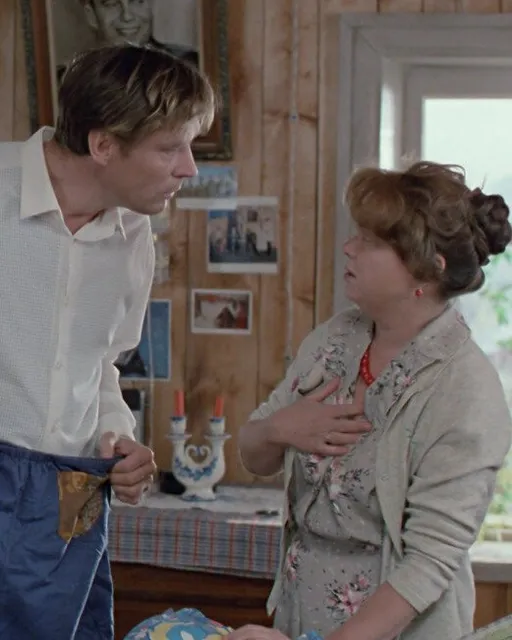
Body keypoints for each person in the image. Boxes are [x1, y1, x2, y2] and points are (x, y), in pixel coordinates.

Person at [231, 162, 512, 640]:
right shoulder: (335, 340)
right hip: (300, 614)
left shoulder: (465, 389)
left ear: (427, 269)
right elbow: (253, 454)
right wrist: (280, 427)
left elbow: (427, 563)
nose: (348, 247)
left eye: (371, 241)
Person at [0, 43, 214, 638]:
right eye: (170, 147)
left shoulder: (135, 236)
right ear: (102, 144)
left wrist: (119, 438)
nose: (188, 168)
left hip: (76, 491)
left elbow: (100, 368)